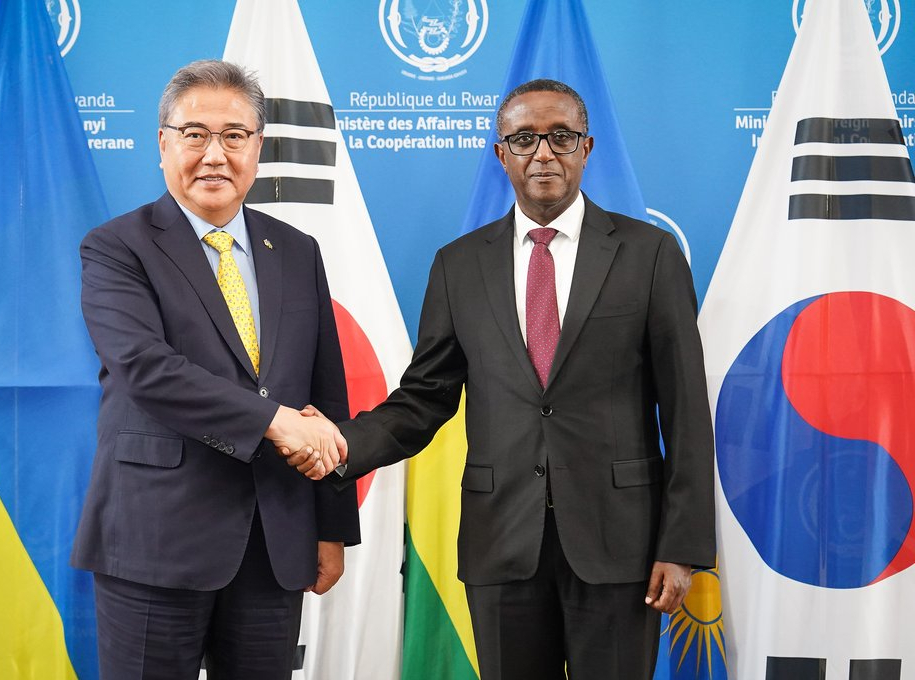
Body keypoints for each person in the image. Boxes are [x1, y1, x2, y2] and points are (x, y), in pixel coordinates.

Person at [286, 78, 716, 679]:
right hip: (501, 543)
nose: (543, 153)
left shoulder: (649, 254)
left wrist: (683, 544)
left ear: (587, 148)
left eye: (560, 137)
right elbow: (425, 397)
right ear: (500, 154)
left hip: (622, 545)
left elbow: (687, 412)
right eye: (523, 139)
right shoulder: (459, 265)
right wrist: (340, 445)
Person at [70, 59, 359, 680]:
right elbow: (146, 370)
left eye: (234, 135)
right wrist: (275, 422)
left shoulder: (297, 251)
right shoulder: (116, 247)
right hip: (154, 539)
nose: (214, 154)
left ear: (258, 146)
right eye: (195, 133)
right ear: (163, 143)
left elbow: (325, 396)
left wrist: (331, 526)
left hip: (274, 541)